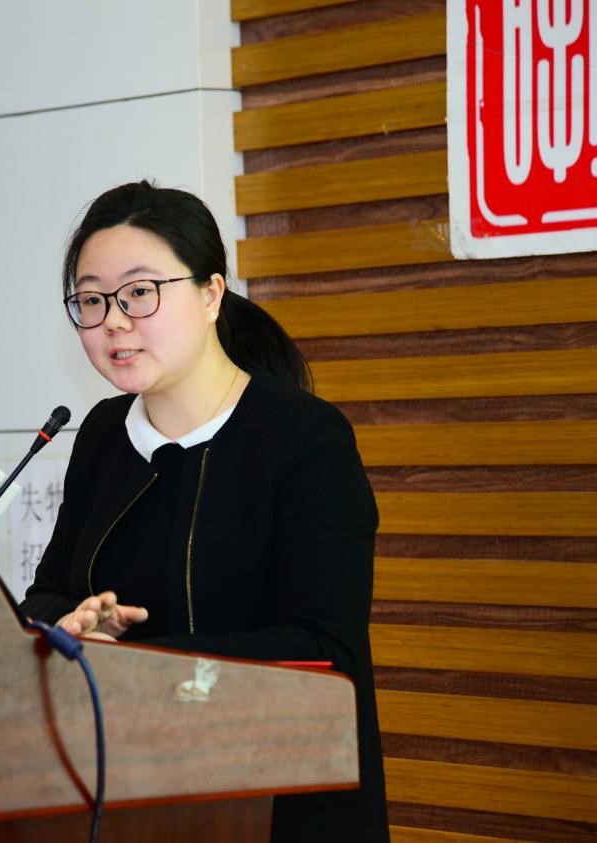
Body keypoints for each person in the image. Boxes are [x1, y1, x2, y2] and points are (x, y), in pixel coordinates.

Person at [20, 179, 389, 840]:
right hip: (129, 792)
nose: (114, 320)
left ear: (212, 293)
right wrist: (75, 623)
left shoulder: (304, 439)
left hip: (280, 799)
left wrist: (133, 664)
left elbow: (323, 645)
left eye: (139, 292)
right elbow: (46, 594)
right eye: (92, 299)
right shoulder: (102, 436)